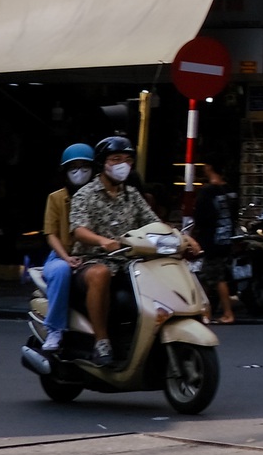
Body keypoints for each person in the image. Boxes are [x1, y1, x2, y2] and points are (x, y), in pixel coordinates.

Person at [68, 136, 199, 367]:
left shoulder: (132, 195)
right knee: (101, 274)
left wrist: (183, 238)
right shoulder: (85, 195)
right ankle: (102, 341)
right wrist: (102, 241)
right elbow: (78, 230)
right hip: (93, 262)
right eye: (116, 159)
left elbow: (154, 223)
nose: (122, 165)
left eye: (127, 160)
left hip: (130, 264)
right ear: (102, 163)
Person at [36, 144, 95, 352]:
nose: (80, 172)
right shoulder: (56, 198)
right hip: (61, 255)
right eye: (74, 168)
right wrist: (66, 258)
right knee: (61, 271)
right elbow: (51, 234)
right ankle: (54, 329)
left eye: (85, 167)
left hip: (93, 255)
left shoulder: (98, 197)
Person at [182, 162, 241, 325]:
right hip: (227, 238)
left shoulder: (207, 192)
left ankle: (226, 313)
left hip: (211, 240)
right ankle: (205, 312)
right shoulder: (231, 191)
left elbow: (200, 217)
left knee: (215, 277)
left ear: (209, 168)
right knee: (212, 275)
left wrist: (194, 236)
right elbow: (235, 214)